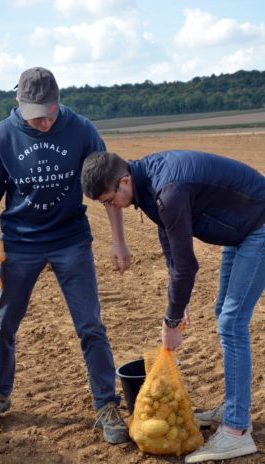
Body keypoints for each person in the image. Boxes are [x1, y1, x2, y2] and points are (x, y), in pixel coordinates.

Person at [0, 67, 130, 445]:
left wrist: (118, 240)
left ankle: (106, 403)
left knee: (90, 324)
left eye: (50, 111)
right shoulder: (3, 134)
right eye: (35, 114)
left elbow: (107, 183)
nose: (44, 121)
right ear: (18, 104)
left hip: (70, 240)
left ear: (59, 101)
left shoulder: (82, 129)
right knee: (3, 322)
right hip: (21, 242)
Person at [81, 149, 265, 462]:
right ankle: (235, 405)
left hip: (258, 226)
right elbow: (170, 242)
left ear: (123, 181)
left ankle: (236, 431)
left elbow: (186, 265)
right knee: (224, 315)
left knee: (231, 322)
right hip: (242, 231)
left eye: (109, 200)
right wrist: (177, 302)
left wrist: (171, 321)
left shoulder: (168, 189)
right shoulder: (147, 184)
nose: (111, 207)